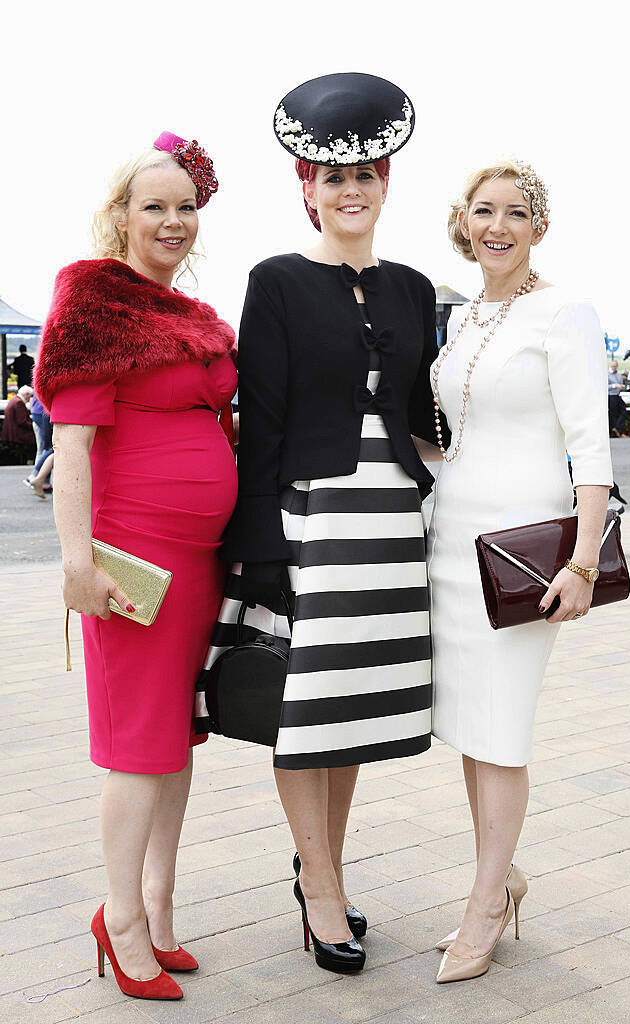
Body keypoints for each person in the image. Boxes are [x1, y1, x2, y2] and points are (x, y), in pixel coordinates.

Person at [211, 73, 442, 975]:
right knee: (304, 716)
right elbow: (260, 419)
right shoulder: (273, 282)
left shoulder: (416, 287)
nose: (350, 192)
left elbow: (424, 410)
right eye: (330, 179)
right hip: (307, 520)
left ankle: (327, 876)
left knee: (343, 715)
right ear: (305, 189)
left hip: (389, 519)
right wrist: (260, 547)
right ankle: (320, 888)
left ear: (386, 184)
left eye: (365, 177)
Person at [35, 131, 236, 1002]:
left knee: (174, 742)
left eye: (185, 207)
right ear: (119, 216)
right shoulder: (91, 300)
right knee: (138, 747)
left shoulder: (189, 314)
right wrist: (76, 563)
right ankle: (118, 918)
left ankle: (155, 905)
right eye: (153, 206)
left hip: (199, 563)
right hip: (132, 565)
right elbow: (72, 445)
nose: (172, 221)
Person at [428, 161, 612, 983]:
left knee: (499, 731)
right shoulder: (466, 315)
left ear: (538, 226)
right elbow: (457, 437)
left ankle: (484, 905)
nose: (496, 226)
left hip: (525, 555)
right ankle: (497, 877)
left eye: (514, 213)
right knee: (472, 728)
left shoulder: (562, 311)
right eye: (482, 211)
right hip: (450, 540)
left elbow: (591, 447)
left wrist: (580, 560)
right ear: (462, 222)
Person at [1, 385, 35, 462]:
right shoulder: (19, 403)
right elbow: (22, 421)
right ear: (26, 394)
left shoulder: (14, 399)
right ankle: (31, 460)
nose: (29, 399)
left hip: (11, 432)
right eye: (29, 396)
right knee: (35, 437)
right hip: (16, 433)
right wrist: (33, 425)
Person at [607, 360, 628, 436]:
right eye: (613, 366)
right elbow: (605, 386)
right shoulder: (607, 374)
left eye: (615, 366)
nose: (614, 368)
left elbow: (621, 384)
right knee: (614, 414)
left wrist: (621, 386)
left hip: (617, 395)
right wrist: (615, 386)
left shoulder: (619, 375)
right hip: (611, 396)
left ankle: (617, 428)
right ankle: (616, 432)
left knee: (623, 412)